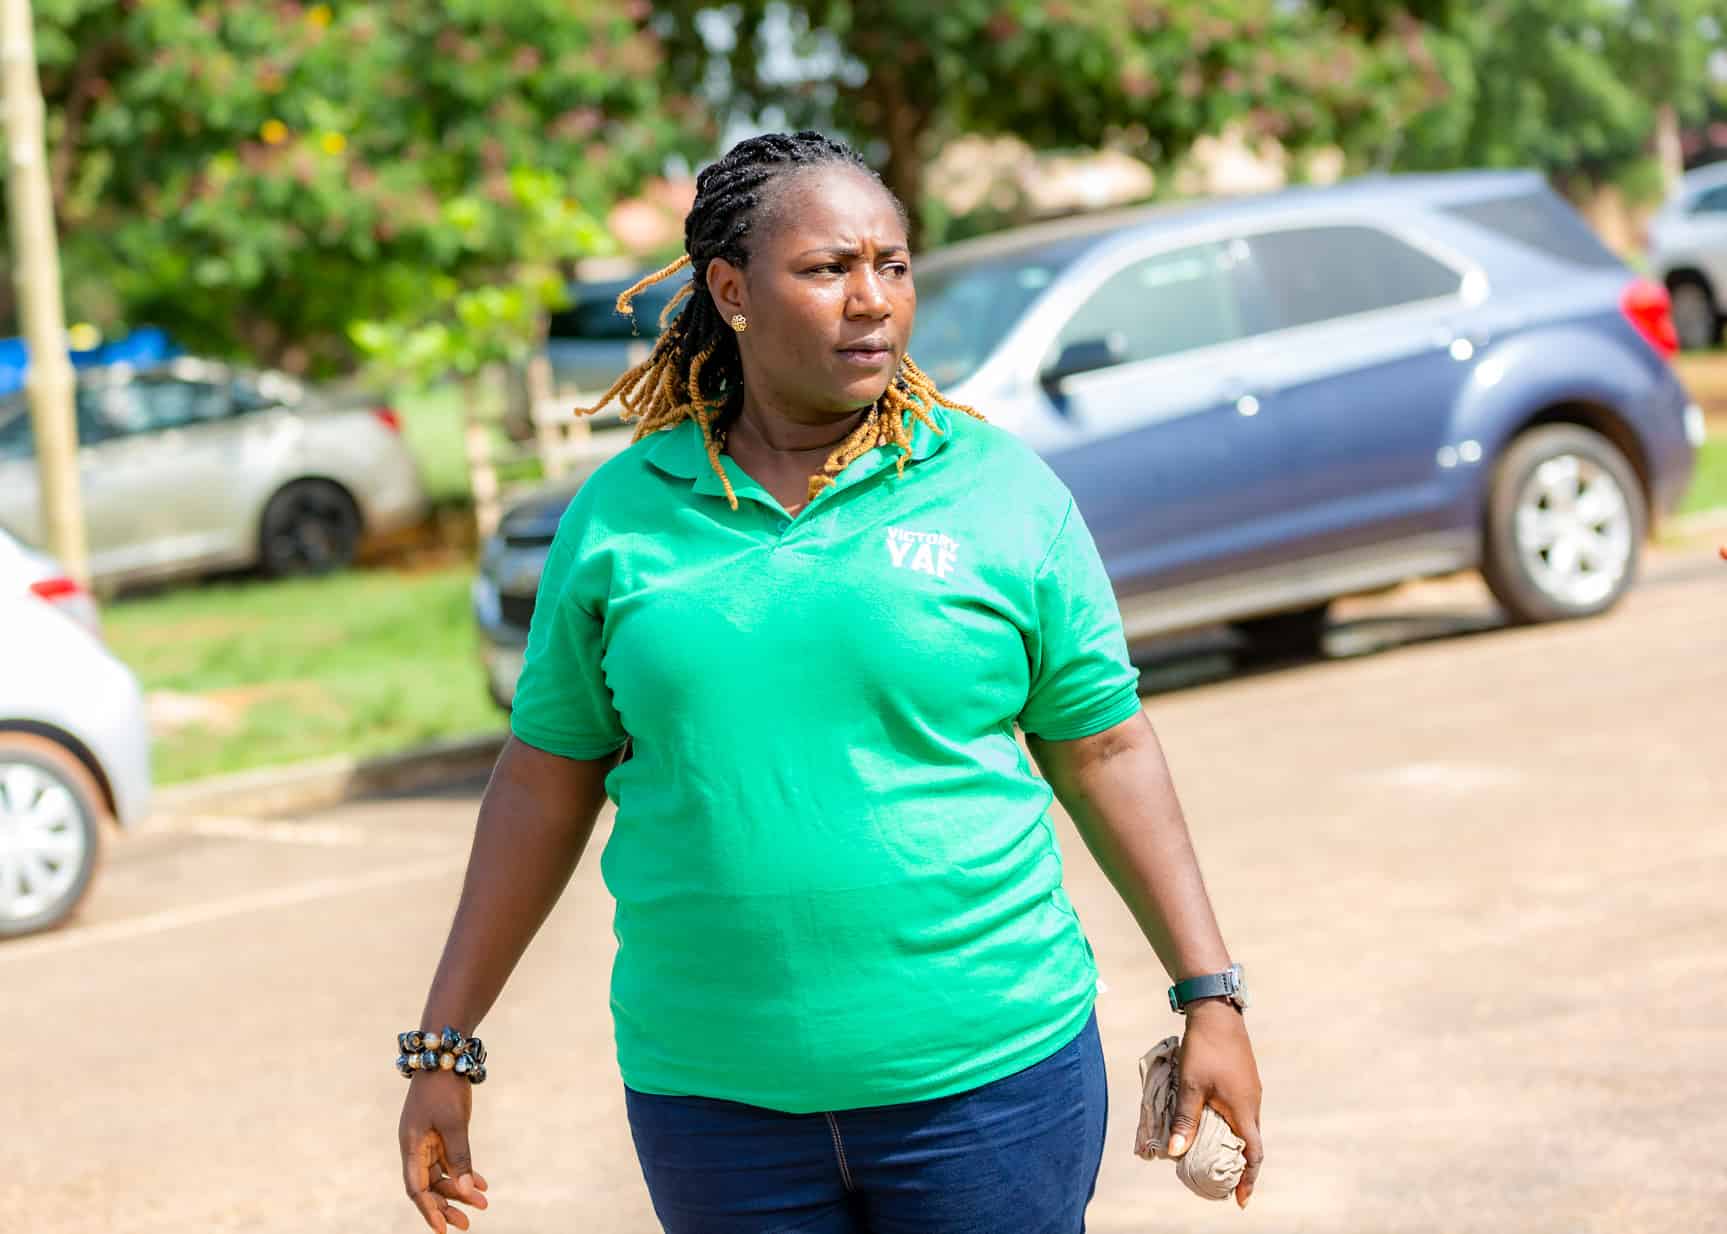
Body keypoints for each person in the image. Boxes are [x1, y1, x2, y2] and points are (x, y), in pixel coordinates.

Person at [397, 130, 1263, 1234]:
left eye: (891, 265)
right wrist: (445, 1045)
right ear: (730, 291)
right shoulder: (621, 517)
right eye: (826, 268)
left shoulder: (998, 492)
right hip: (715, 1106)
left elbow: (1104, 748)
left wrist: (1208, 994)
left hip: (988, 1085)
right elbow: (542, 778)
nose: (872, 300)